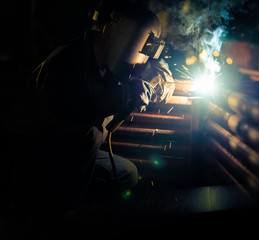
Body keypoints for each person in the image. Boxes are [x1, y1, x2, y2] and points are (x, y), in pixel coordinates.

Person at [11, 0, 174, 219]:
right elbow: (70, 112)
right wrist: (124, 95)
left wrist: (158, 81)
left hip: (74, 155)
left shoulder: (110, 66)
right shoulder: (65, 62)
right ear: (113, 32)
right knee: (86, 135)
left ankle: (79, 203)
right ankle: (56, 211)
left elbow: (154, 68)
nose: (138, 63)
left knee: (127, 175)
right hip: (38, 155)